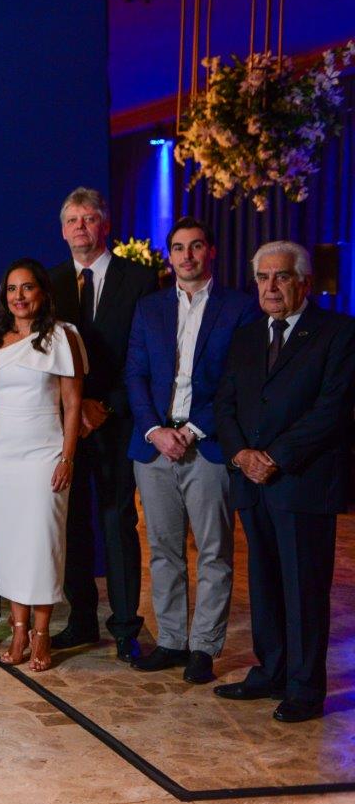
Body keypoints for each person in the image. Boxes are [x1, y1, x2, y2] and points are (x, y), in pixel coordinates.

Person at [213, 241, 355, 723]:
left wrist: (275, 457)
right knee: (265, 584)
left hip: (302, 482)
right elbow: (225, 403)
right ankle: (270, 671)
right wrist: (240, 454)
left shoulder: (338, 333)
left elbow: (333, 410)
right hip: (252, 483)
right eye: (262, 277)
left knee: (303, 589)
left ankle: (304, 688)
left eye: (282, 276)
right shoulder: (246, 337)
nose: (270, 287)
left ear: (304, 282)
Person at [125, 218, 259, 684]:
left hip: (209, 445)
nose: (187, 256)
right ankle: (171, 640)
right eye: (179, 248)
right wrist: (154, 430)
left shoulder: (239, 307)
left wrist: (192, 429)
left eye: (196, 246)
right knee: (163, 550)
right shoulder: (149, 308)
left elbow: (237, 379)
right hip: (154, 447)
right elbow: (135, 375)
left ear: (211, 251)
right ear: (170, 256)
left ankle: (203, 647)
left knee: (214, 551)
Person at [49, 187, 157, 661]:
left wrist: (104, 406)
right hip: (64, 425)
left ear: (105, 224)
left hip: (117, 423)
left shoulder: (140, 280)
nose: (80, 227)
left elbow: (146, 352)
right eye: (72, 220)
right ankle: (81, 621)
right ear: (62, 230)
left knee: (117, 521)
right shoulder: (50, 283)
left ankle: (126, 627)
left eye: (89, 218)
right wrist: (74, 408)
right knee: (71, 523)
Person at [0, 259, 84, 672]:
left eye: (27, 287)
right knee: (11, 544)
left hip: (44, 455)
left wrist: (67, 457)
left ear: (43, 292)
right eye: (12, 289)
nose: (19, 296)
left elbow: (73, 404)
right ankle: (18, 630)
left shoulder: (62, 337)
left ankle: (42, 633)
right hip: (2, 455)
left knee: (42, 545)